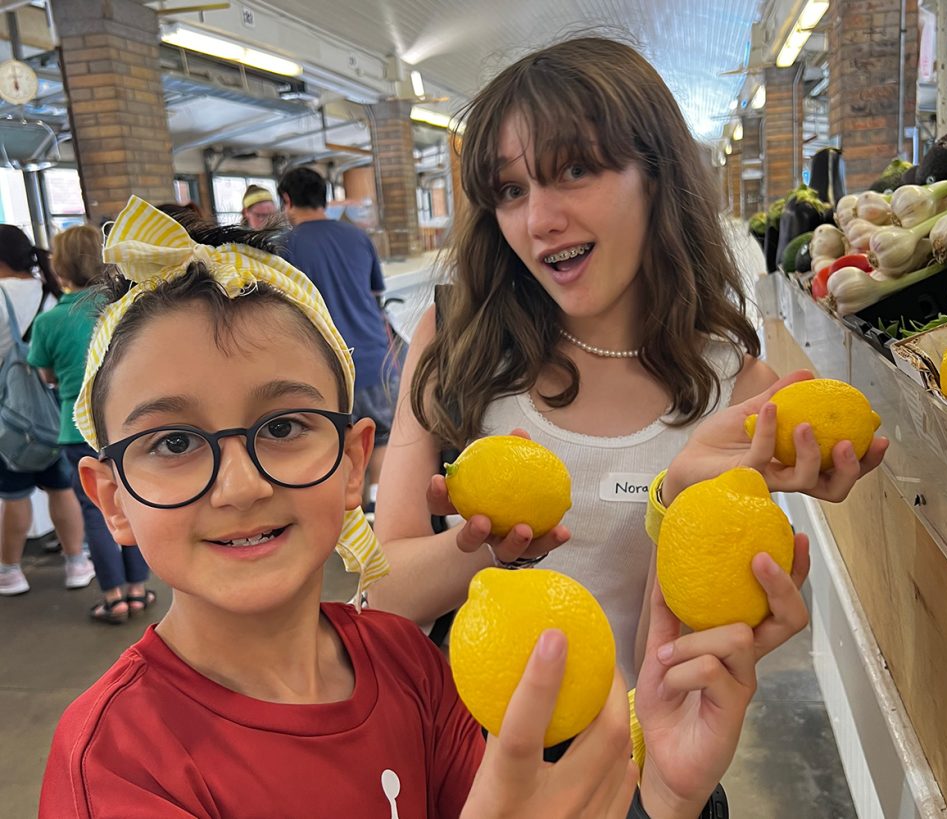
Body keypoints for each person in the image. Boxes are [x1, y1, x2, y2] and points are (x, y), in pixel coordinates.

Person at [41, 197, 765, 818]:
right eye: (173, 441)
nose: (239, 485)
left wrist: (667, 794)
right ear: (111, 497)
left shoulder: (414, 668)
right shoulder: (114, 760)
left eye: (285, 427)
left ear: (354, 462)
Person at [371, 37, 888, 682]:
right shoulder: (455, 342)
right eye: (509, 189)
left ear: (656, 174)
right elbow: (380, 596)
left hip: (644, 763)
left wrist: (678, 506)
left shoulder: (736, 394)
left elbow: (677, 649)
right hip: (469, 770)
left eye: (574, 171)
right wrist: (490, 546)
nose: (538, 220)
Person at [28, 225, 155, 623]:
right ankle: (138, 589)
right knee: (135, 504)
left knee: (98, 515)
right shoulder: (122, 311)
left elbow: (45, 375)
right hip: (125, 428)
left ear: (60, 265)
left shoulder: (50, 322)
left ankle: (115, 598)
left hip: (74, 430)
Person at [277, 166, 397, 511]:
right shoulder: (358, 237)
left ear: (287, 200)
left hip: (322, 373)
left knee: (338, 452)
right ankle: (382, 518)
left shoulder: (283, 247)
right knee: (382, 437)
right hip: (376, 360)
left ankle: (350, 531)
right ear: (324, 197)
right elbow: (376, 295)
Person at [0, 225, 93, 597]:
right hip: (56, 410)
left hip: (13, 413)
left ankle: (10, 571)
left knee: (14, 492)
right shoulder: (51, 292)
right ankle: (76, 562)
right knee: (62, 486)